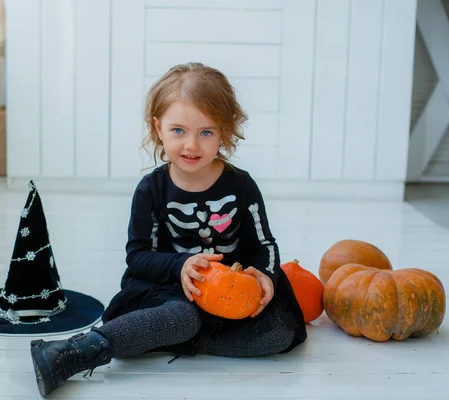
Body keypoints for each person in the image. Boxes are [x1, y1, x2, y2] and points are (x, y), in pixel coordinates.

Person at [30, 62, 307, 397]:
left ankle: (154, 335)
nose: (191, 145)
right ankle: (75, 351)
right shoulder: (152, 190)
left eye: (206, 132)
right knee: (182, 316)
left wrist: (265, 273)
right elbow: (137, 257)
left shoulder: (241, 186)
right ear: (158, 127)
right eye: (179, 131)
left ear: (224, 131)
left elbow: (265, 242)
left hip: (233, 292)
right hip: (168, 288)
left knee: (279, 333)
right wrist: (180, 266)